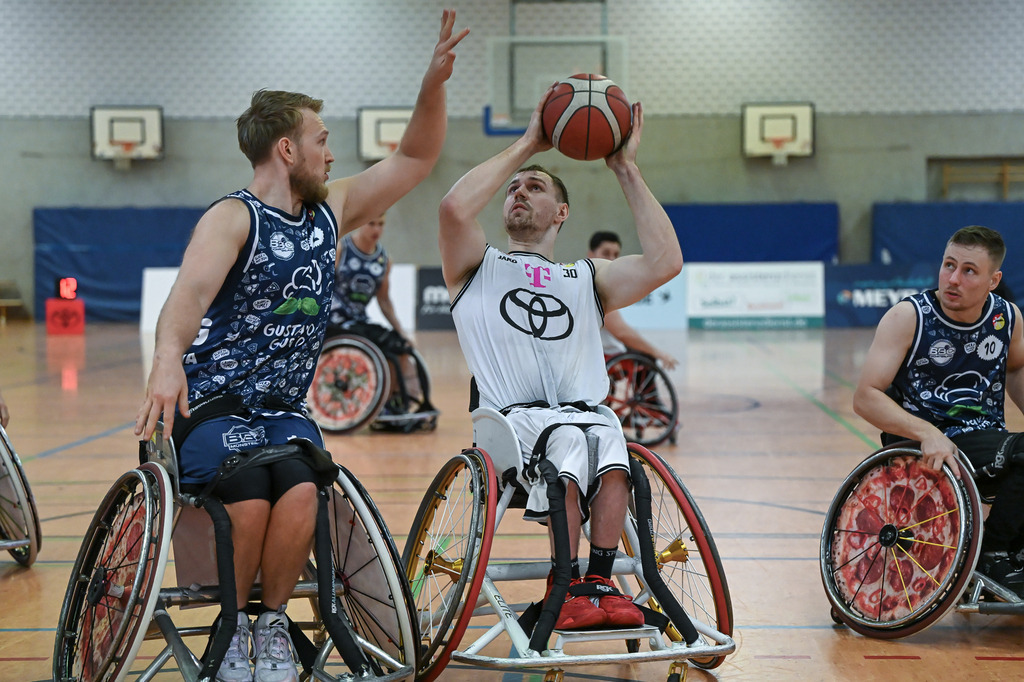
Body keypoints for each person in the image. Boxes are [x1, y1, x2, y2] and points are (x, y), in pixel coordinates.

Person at [134, 10, 467, 682]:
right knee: (251, 490)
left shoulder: (331, 209)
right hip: (219, 401)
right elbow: (187, 301)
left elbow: (416, 158)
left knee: (302, 489)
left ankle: (270, 628)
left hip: (284, 407)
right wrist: (167, 358)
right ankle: (230, 634)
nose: (331, 152)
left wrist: (431, 84)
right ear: (287, 149)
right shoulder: (232, 218)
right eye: (321, 139)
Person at [438, 87, 682, 630]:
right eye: (514, 188)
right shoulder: (476, 266)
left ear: (562, 212)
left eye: (536, 186)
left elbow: (666, 261)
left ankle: (598, 579)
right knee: (571, 439)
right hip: (511, 420)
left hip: (581, 412)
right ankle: (564, 579)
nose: (519, 191)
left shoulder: (586, 276)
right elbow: (454, 207)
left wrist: (625, 168)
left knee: (608, 433)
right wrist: (528, 144)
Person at [853, 225, 1024, 597]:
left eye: (968, 271)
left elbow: (1015, 369)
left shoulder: (1006, 318)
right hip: (922, 439)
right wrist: (927, 432)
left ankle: (1012, 552)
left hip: (985, 437)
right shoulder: (909, 317)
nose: (953, 279)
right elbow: (866, 396)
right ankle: (989, 556)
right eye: (949, 265)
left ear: (993, 280)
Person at [328, 213, 423, 415]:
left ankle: (397, 399)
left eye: (381, 224)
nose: (377, 230)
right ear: (360, 223)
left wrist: (402, 332)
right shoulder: (341, 250)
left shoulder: (383, 260)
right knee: (378, 345)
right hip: (334, 322)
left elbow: (384, 301)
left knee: (399, 345)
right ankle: (375, 400)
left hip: (359, 322)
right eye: (371, 223)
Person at [586, 230, 678, 369]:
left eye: (616, 255)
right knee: (648, 358)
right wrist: (659, 353)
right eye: (606, 253)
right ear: (591, 255)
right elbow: (622, 333)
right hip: (604, 358)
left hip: (594, 355)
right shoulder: (596, 288)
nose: (611, 260)